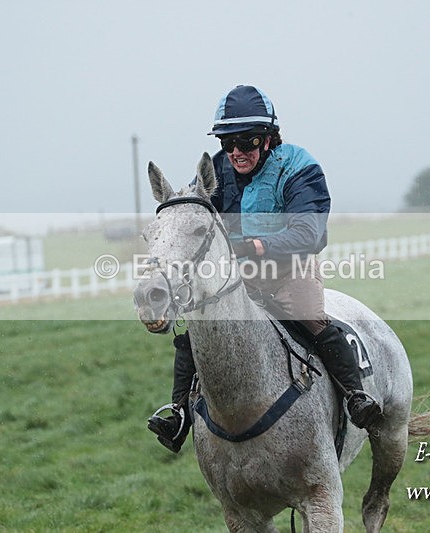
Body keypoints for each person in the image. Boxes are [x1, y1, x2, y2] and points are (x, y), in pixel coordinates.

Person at [147, 85, 380, 453]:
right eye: (228, 143)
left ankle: (355, 396)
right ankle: (178, 412)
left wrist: (256, 245)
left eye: (248, 141)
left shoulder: (300, 167)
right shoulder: (218, 169)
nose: (237, 152)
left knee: (312, 321)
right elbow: (197, 212)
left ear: (269, 138)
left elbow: (309, 231)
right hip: (241, 276)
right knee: (200, 328)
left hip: (291, 269)